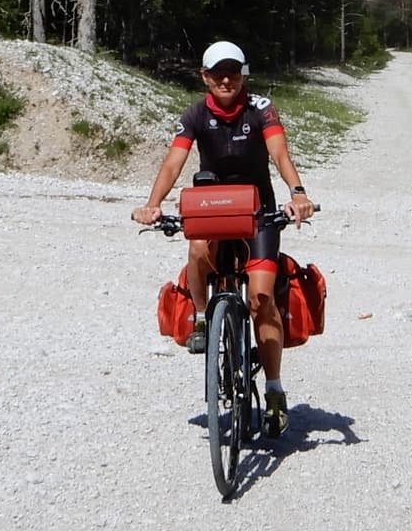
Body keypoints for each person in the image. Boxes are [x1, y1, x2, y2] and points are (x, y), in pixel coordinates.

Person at [133, 39, 313, 435]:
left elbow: (280, 154)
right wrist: (152, 204)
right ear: (205, 77)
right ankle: (201, 317)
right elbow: (174, 161)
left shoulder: (260, 109)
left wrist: (297, 194)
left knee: (262, 299)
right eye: (218, 72)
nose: (226, 79)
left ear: (243, 74)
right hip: (212, 208)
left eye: (233, 71)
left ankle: (274, 390)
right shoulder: (196, 114)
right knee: (197, 246)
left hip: (258, 213)